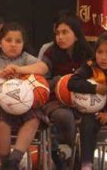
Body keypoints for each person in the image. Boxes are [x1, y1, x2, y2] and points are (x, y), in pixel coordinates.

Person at [0, 22, 48, 170]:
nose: (13, 44)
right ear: (0, 42)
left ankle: (15, 158)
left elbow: (43, 68)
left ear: (23, 44)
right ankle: (6, 160)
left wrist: (19, 69)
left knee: (34, 118)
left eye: (18, 41)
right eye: (8, 40)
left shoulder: (25, 58)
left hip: (24, 103)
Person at [40, 13, 92, 170]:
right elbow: (42, 82)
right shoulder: (49, 53)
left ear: (76, 35)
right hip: (56, 101)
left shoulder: (88, 53)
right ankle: (79, 159)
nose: (60, 37)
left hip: (82, 100)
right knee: (64, 116)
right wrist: (59, 82)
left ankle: (80, 159)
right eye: (57, 33)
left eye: (65, 32)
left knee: (89, 120)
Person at [68, 33, 107, 170]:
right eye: (100, 52)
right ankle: (86, 164)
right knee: (87, 122)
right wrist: (95, 88)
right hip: (95, 113)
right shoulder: (90, 66)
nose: (103, 57)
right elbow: (72, 83)